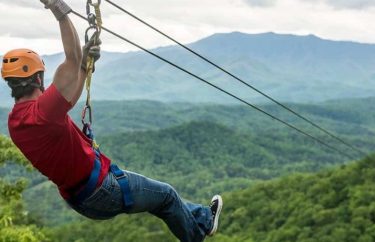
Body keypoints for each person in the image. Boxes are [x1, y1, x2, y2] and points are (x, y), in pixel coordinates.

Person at [2, 0, 223, 241]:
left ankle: (203, 218)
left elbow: (69, 91)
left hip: (83, 197)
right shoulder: (43, 113)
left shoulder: (18, 120)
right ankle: (197, 235)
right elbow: (72, 59)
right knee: (167, 195)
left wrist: (85, 68)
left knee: (161, 199)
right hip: (103, 189)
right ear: (39, 78)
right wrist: (57, 8)